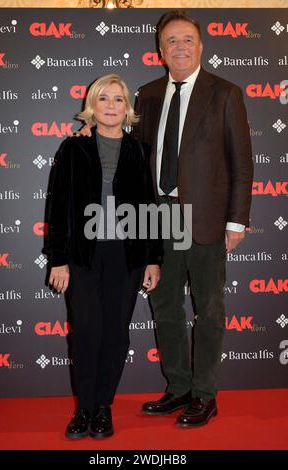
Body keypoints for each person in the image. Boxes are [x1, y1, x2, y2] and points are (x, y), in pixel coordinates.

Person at [79, 10, 253, 428]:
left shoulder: (225, 92)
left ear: (200, 45)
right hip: (159, 215)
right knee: (165, 306)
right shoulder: (148, 93)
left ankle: (205, 394)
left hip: (208, 216)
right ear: (160, 50)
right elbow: (132, 155)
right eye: (171, 41)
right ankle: (179, 388)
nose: (179, 47)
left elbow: (241, 161)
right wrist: (90, 134)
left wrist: (236, 220)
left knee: (209, 308)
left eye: (187, 39)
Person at [43, 74, 161, 439]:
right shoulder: (72, 149)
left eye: (118, 100)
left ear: (128, 109)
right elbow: (58, 206)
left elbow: (149, 208)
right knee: (86, 333)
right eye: (104, 99)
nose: (111, 106)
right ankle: (84, 410)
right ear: (92, 106)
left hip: (125, 257)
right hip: (82, 255)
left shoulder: (139, 151)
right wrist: (58, 258)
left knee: (115, 334)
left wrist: (153, 258)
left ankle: (104, 407)